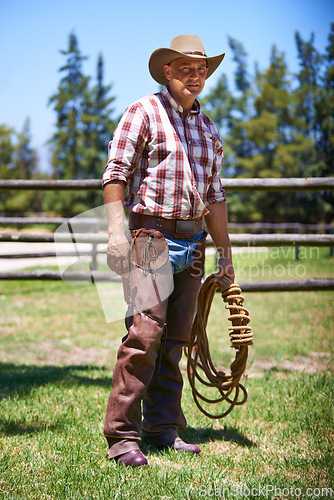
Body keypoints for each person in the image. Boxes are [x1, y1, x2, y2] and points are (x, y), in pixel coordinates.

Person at [102, 34, 235, 467]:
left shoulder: (209, 128)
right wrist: (117, 233)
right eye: (186, 70)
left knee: (176, 339)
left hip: (193, 241)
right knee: (144, 336)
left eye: (201, 71)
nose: (195, 77)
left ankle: (162, 428)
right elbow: (115, 172)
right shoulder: (143, 112)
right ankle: (122, 435)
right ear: (167, 71)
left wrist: (225, 253)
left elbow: (215, 195)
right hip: (150, 238)